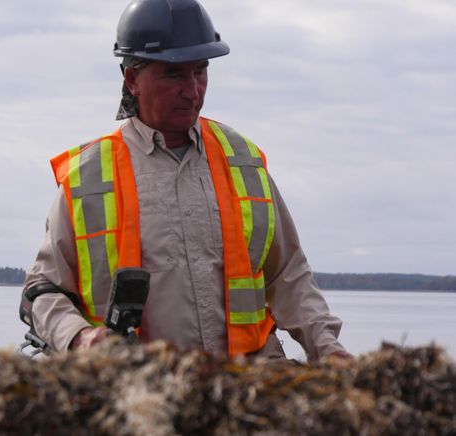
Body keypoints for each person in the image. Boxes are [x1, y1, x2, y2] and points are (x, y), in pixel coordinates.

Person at [20, 0, 351, 362]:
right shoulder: (89, 178)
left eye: (201, 71)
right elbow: (41, 291)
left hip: (250, 385)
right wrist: (80, 337)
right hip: (143, 394)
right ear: (131, 79)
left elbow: (289, 275)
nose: (193, 91)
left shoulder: (243, 162)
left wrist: (327, 348)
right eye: (174, 74)